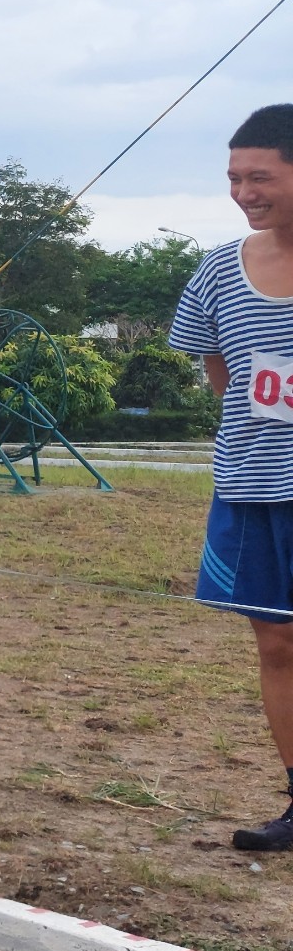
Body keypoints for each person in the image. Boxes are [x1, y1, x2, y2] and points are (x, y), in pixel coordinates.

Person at [174, 103, 293, 853]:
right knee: (277, 647)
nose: (244, 191)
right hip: (253, 489)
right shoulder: (222, 267)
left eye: (261, 176)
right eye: (233, 178)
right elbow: (222, 373)